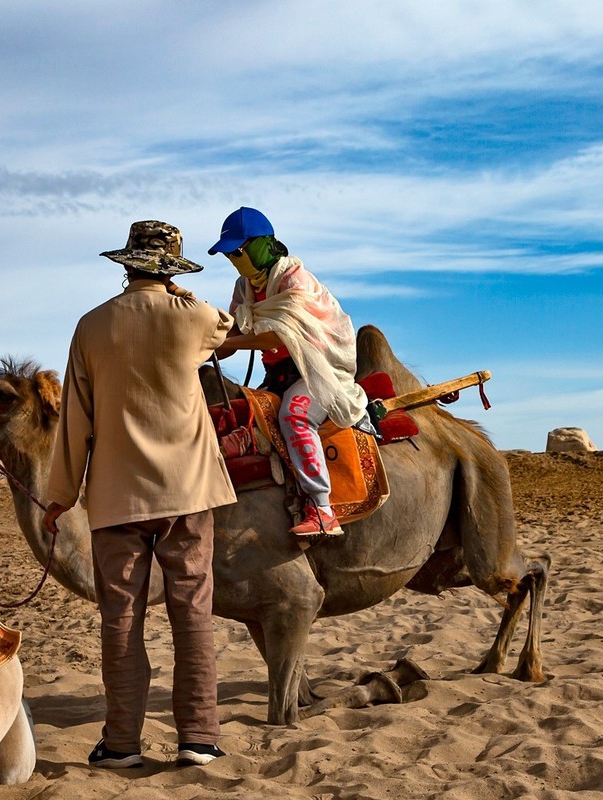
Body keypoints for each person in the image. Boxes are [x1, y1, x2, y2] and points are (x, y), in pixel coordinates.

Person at [43, 220, 236, 769]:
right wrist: (184, 294)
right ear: (171, 268)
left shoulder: (91, 326)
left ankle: (123, 743)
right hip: (189, 492)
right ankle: (198, 737)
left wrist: (61, 494)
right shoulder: (194, 317)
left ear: (125, 264)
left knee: (120, 618)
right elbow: (226, 322)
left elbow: (75, 417)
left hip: (115, 496)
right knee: (192, 611)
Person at [208, 207, 369, 538]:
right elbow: (232, 334)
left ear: (260, 245)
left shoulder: (294, 279)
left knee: (294, 415)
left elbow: (279, 335)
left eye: (239, 250)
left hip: (317, 371)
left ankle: (323, 509)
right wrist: (201, 343)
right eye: (229, 254)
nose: (235, 259)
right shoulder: (244, 288)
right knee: (239, 415)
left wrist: (232, 341)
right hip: (278, 373)